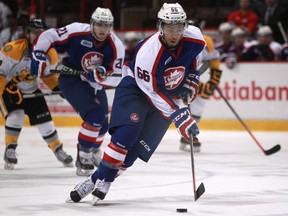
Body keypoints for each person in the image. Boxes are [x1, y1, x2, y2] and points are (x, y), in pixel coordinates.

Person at [67, 2, 205, 205]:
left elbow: (194, 58)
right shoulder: (148, 53)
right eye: (169, 28)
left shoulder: (194, 37)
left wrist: (192, 79)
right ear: (160, 26)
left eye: (179, 27)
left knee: (134, 153)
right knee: (127, 134)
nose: (175, 33)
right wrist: (180, 116)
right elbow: (154, 91)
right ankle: (104, 178)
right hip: (138, 91)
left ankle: (96, 179)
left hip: (166, 98)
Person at [29, 7, 125, 176]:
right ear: (92, 24)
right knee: (94, 117)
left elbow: (115, 77)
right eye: (100, 25)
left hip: (94, 84)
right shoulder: (76, 31)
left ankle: (94, 150)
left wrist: (100, 76)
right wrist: (38, 52)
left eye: (107, 25)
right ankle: (84, 155)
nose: (103, 29)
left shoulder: (116, 45)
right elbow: (50, 35)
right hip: (71, 78)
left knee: (103, 124)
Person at [0, 18, 73, 170]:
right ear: (27, 34)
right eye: (34, 32)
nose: (37, 35)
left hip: (31, 90)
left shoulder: (50, 54)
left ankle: (58, 149)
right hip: (9, 89)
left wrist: (56, 88)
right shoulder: (12, 49)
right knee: (17, 115)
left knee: (45, 121)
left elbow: (48, 76)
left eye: (40, 33)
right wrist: (4, 91)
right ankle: (10, 149)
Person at [179, 20, 222, 152]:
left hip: (189, 77)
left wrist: (213, 82)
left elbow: (213, 61)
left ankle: (189, 135)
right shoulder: (176, 41)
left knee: (200, 97)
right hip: (170, 77)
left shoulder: (206, 42)